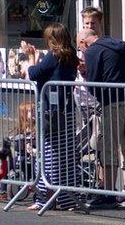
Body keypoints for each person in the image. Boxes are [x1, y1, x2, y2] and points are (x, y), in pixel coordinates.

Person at [19, 23, 80, 211]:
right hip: (67, 112)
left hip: (50, 113)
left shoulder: (54, 56)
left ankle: (44, 198)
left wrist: (30, 57)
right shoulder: (70, 56)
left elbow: (34, 73)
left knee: (47, 156)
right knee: (67, 157)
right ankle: (69, 199)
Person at [78, 27, 125, 205]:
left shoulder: (92, 51)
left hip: (112, 101)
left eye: (80, 47)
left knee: (109, 146)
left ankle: (109, 192)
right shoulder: (120, 44)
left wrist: (85, 74)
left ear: (84, 43)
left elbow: (94, 82)